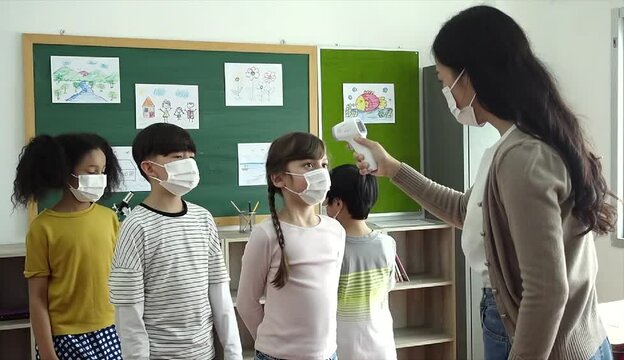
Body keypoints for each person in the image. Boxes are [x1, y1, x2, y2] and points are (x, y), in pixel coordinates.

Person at [353, 5, 615, 360]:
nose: (447, 93)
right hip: (558, 336)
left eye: (445, 82)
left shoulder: (521, 157)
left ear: (470, 77)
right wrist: (393, 168)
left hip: (542, 342)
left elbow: (547, 291)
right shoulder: (515, 145)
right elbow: (468, 212)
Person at [108, 123, 242, 360]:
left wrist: (233, 353)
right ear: (150, 168)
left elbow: (219, 291)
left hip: (204, 354)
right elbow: (129, 312)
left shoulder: (203, 218)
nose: (189, 164)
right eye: (178, 157)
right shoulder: (135, 226)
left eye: (191, 157)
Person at [12, 133, 123, 360]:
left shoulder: (109, 219)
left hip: (112, 329)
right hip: (65, 338)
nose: (99, 178)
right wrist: (48, 353)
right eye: (91, 172)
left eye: (102, 172)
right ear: (64, 173)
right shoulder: (43, 228)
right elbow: (37, 298)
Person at [236, 132, 345, 360]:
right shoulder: (266, 235)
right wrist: (272, 345)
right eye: (308, 165)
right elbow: (247, 302)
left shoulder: (335, 230)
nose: (320, 172)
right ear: (278, 179)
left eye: (323, 164)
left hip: (327, 354)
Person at [325, 164, 397, 360]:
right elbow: (388, 288)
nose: (325, 207)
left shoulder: (331, 248)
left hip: (343, 349)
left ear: (338, 204)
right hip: (382, 347)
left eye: (327, 202)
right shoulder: (387, 244)